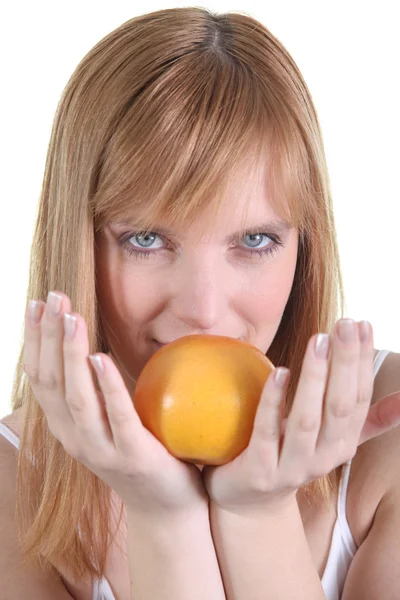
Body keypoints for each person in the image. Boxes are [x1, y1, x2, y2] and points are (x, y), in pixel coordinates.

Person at [0, 6, 399, 599]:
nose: (205, 312)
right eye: (146, 239)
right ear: (77, 241)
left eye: (255, 240)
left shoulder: (387, 432)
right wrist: (165, 517)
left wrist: (259, 517)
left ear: (303, 248)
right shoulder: (13, 483)